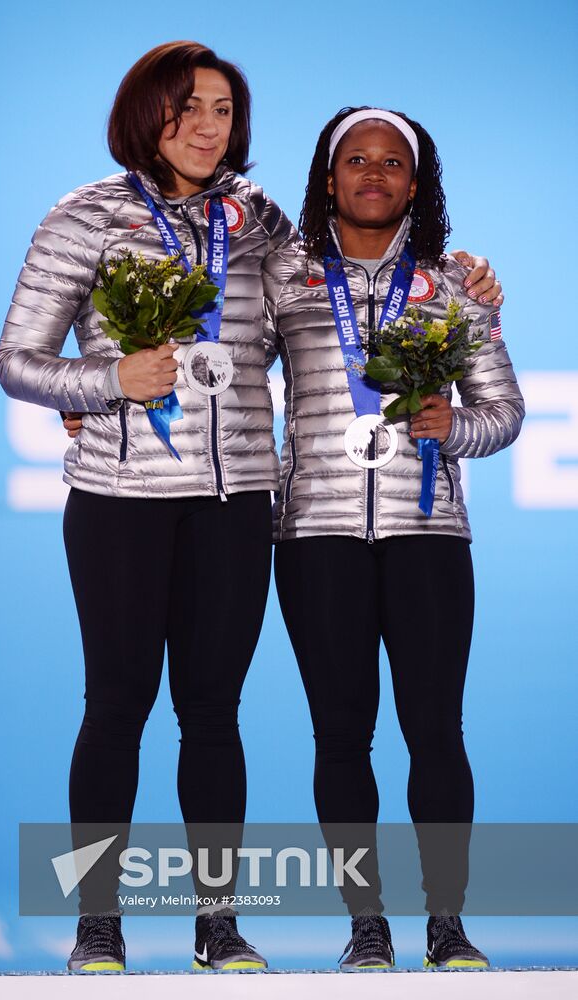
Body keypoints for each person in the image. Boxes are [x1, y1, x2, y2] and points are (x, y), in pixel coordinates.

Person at [0, 39, 502, 971]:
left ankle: (215, 925)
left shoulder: (259, 220)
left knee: (213, 717)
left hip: (237, 502)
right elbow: (17, 362)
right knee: (114, 708)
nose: (205, 126)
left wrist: (463, 277)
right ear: (142, 113)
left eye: (223, 110)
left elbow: (332, 291)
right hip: (121, 499)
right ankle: (96, 926)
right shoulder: (82, 217)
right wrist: (107, 381)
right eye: (185, 107)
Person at [269, 106, 524, 969]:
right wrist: (95, 398)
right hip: (314, 533)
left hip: (427, 532)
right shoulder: (283, 275)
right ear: (328, 176)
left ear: (415, 184)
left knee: (434, 730)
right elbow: (215, 370)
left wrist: (451, 426)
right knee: (340, 734)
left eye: (390, 164)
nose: (372, 174)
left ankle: (446, 924)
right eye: (354, 160)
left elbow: (504, 415)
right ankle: (365, 926)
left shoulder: (453, 285)